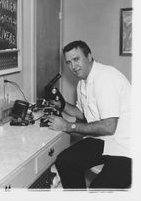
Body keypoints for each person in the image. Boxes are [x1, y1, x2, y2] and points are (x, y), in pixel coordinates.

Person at [48, 40, 131, 189]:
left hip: (126, 146)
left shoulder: (106, 78)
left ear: (89, 56)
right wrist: (63, 105)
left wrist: (67, 126)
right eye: (68, 62)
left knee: (98, 190)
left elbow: (108, 127)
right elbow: (83, 114)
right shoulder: (82, 83)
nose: (73, 66)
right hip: (104, 140)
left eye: (76, 59)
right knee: (64, 161)